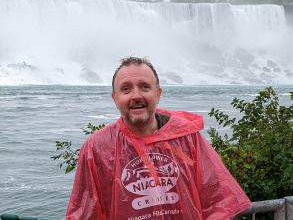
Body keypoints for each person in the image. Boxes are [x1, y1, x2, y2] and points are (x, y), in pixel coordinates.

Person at [66, 57, 252, 220]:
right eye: (126, 89)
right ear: (115, 99)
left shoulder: (187, 138)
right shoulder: (97, 148)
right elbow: (85, 213)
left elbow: (217, 199)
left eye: (144, 87)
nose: (136, 96)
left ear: (158, 94)